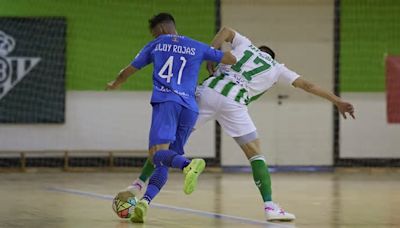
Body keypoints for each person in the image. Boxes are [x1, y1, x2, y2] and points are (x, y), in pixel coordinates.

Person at [106, 14, 237, 223]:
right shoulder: (196, 46)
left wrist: (116, 82)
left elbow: (129, 70)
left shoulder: (156, 44)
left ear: (162, 30)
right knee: (164, 161)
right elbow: (231, 59)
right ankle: (145, 202)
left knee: (156, 155)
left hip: (167, 103)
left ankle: (187, 166)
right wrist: (212, 61)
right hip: (190, 108)